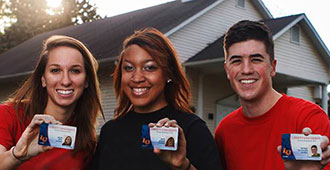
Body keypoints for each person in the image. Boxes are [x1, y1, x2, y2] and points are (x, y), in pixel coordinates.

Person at [92, 27, 222, 170]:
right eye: (129, 68)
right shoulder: (110, 132)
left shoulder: (192, 129)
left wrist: (183, 166)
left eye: (149, 67)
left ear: (168, 74)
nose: (137, 78)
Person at [214, 20, 330, 170]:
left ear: (272, 67)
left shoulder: (307, 118)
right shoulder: (224, 131)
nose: (247, 69)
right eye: (237, 61)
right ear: (227, 70)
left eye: (256, 59)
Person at [0, 35, 104, 170]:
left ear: (86, 81)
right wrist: (16, 156)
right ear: (43, 79)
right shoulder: (8, 114)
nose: (65, 81)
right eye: (55, 70)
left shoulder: (86, 140)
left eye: (75, 71)